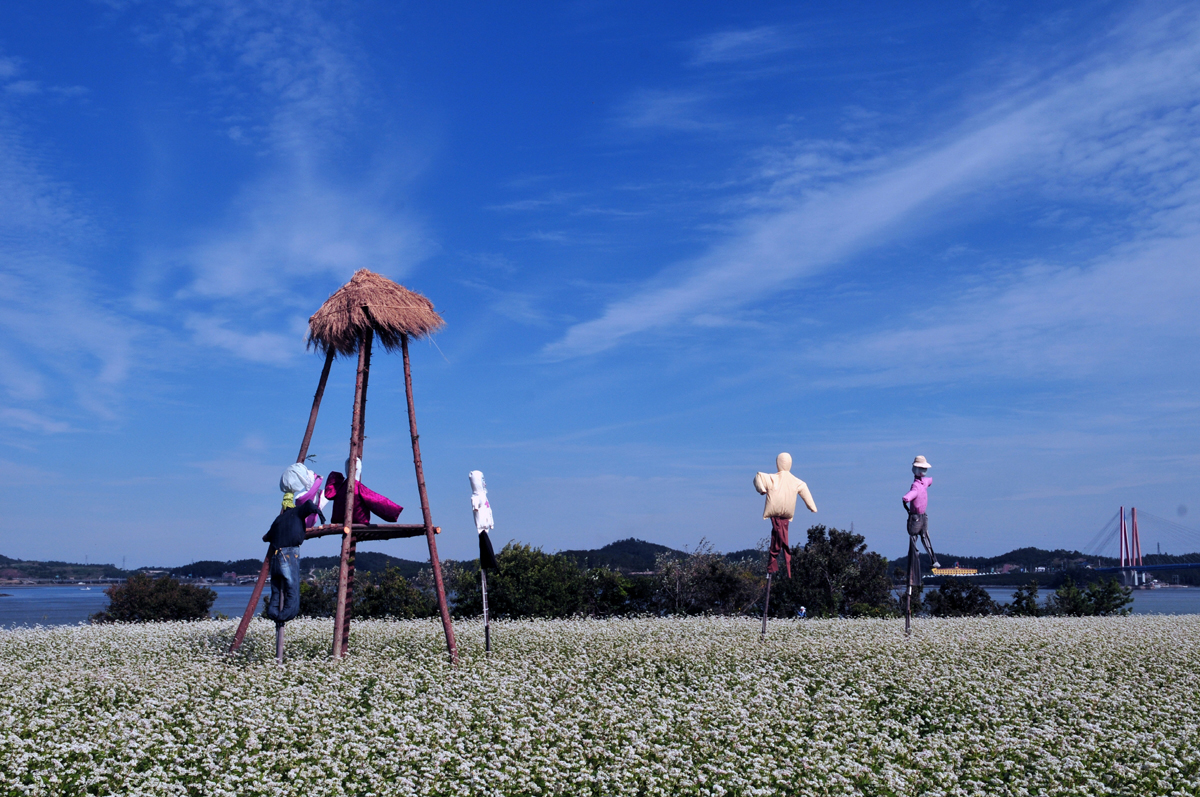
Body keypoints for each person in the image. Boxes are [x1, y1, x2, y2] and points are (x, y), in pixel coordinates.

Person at [262, 485, 323, 631]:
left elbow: (266, 537)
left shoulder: (278, 520)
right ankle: (287, 614)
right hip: (289, 554)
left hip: (276, 556)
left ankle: (273, 611)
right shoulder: (297, 512)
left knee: (277, 587)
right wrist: (318, 511)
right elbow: (308, 505)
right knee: (292, 586)